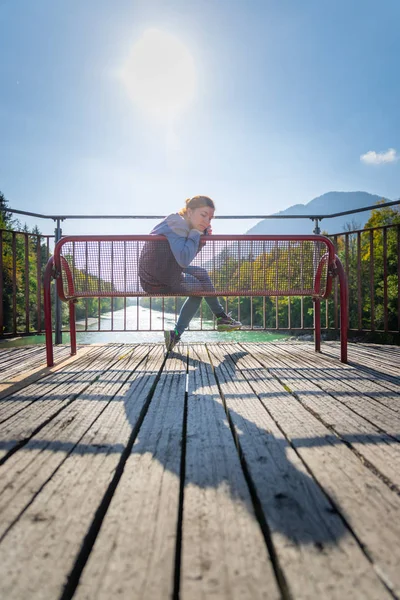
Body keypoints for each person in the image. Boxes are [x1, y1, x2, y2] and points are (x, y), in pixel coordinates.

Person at [139, 195, 242, 350]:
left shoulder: (180, 224)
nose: (207, 222)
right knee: (199, 290)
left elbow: (184, 256)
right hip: (157, 281)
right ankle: (218, 319)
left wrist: (200, 241)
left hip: (164, 272)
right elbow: (184, 260)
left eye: (210, 218)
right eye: (203, 215)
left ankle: (222, 318)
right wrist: (196, 233)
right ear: (189, 211)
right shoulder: (177, 223)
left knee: (201, 273)